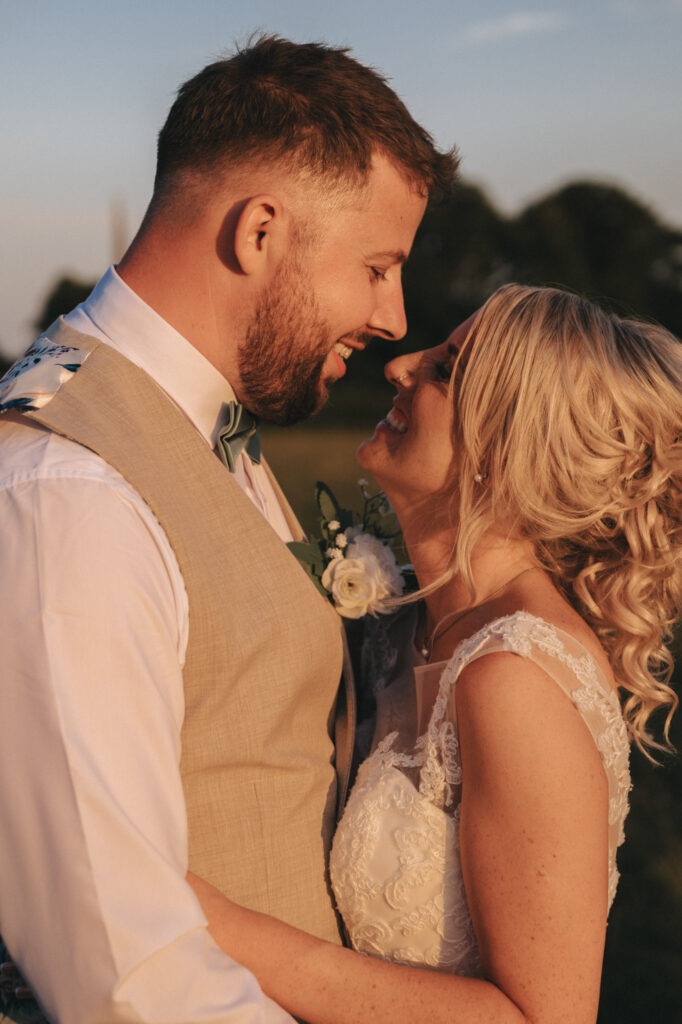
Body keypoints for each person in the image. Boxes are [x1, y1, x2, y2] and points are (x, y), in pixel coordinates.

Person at [0, 36, 457, 1023]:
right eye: (376, 266)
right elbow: (124, 969)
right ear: (258, 233)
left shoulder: (213, 430)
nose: (394, 316)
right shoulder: (65, 490)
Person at [187, 284, 682, 1024]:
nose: (399, 366)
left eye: (445, 370)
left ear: (506, 449)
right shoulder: (398, 624)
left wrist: (224, 930)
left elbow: (542, 1017)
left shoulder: (512, 678)